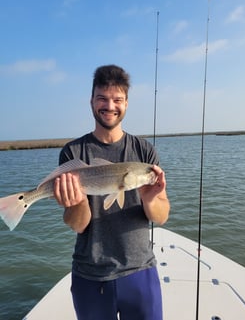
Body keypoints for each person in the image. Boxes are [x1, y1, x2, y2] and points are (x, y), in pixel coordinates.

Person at [54, 65, 170, 320]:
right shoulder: (73, 153)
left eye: (117, 99)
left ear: (126, 103)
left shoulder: (144, 152)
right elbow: (77, 223)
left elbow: (161, 217)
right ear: (92, 101)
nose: (110, 106)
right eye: (102, 98)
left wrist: (150, 198)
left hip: (139, 270)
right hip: (90, 275)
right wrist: (77, 202)